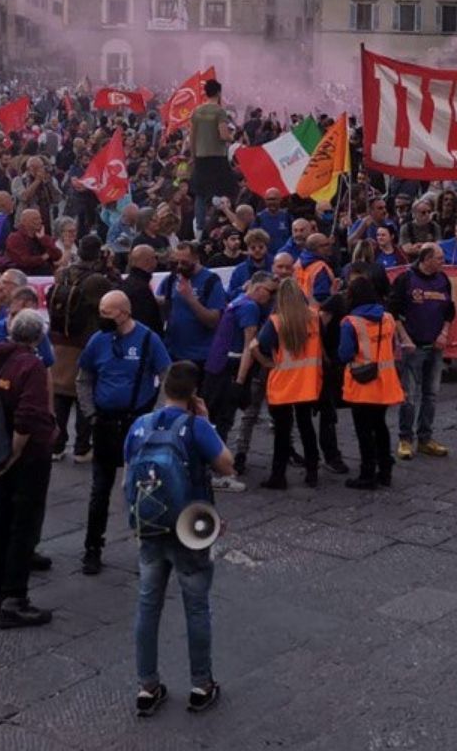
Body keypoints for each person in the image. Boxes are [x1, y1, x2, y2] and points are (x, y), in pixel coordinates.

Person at [130, 360, 234, 717]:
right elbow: (226, 464)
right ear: (194, 393)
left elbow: (129, 470)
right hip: (190, 526)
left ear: (164, 389)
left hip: (151, 525)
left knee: (147, 605)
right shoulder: (195, 426)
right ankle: (201, 685)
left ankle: (147, 686)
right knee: (196, 606)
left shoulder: (140, 425)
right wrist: (206, 422)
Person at [79, 290, 172, 576]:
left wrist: (156, 414)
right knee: (99, 491)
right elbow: (84, 378)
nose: (102, 318)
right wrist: (91, 413)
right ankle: (92, 548)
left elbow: (167, 373)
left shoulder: (147, 339)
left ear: (123, 312)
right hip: (105, 424)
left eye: (107, 313)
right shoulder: (98, 340)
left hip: (137, 424)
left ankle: (148, 549)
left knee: (144, 489)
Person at [0, 308, 58, 628]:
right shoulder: (32, 366)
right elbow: (27, 417)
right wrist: (14, 453)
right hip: (25, 457)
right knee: (23, 526)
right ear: (38, 337)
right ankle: (15, 599)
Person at [249, 277, 323, 489]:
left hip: (282, 382)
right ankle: (312, 472)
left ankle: (278, 476)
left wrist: (267, 362)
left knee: (282, 432)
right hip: (307, 381)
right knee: (306, 426)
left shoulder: (276, 321)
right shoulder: (314, 318)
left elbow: (258, 346)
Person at [204, 273, 274, 492]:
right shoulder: (250, 307)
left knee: (213, 415)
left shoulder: (238, 300)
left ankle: (212, 463)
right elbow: (249, 346)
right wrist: (241, 381)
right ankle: (218, 467)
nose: (271, 297)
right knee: (223, 418)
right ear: (257, 287)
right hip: (229, 368)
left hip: (216, 364)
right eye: (269, 291)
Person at [47, 236, 110, 463]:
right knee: (83, 393)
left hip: (59, 340)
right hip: (84, 342)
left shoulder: (63, 273)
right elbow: (111, 301)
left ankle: (56, 445)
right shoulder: (96, 280)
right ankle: (82, 447)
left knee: (60, 394)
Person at [387, 243, 453, 459]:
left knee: (431, 394)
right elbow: (393, 313)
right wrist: (404, 339)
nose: (443, 262)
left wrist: (444, 333)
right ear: (426, 259)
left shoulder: (443, 280)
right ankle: (405, 439)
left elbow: (449, 311)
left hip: (435, 346)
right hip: (413, 346)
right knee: (409, 396)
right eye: (439, 258)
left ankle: (426, 438)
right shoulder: (405, 279)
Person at [338, 275, 403, 489]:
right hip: (385, 381)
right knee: (380, 426)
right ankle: (385, 469)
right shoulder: (387, 318)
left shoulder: (351, 323)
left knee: (364, 430)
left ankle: (367, 473)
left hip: (362, 383)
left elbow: (345, 354)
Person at [158, 241, 226, 365]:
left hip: (200, 355)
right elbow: (164, 305)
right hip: (173, 352)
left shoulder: (211, 281)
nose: (179, 266)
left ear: (196, 258)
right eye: (175, 262)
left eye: (184, 263)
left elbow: (214, 321)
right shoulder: (171, 279)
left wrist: (189, 298)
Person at [188, 79, 234, 228]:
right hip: (217, 157)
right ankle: (219, 224)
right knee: (224, 190)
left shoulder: (197, 111)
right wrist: (232, 137)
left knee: (200, 194)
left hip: (200, 158)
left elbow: (192, 137)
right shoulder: (219, 111)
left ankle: (200, 228)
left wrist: (193, 157)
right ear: (219, 93)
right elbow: (223, 135)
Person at [0, 208, 62, 275]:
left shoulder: (42, 237)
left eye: (40, 218)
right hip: (24, 276)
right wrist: (44, 257)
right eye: (35, 219)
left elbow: (57, 255)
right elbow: (24, 261)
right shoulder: (15, 238)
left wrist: (43, 239)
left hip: (45, 275)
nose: (40, 221)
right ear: (24, 221)